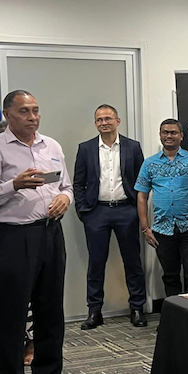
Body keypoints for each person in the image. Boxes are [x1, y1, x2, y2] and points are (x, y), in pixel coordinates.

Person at [0, 90, 73, 374]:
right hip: (14, 238)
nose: (32, 117)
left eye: (36, 110)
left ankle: (49, 369)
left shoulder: (51, 146)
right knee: (11, 313)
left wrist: (65, 199)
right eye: (24, 111)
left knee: (51, 310)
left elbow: (65, 186)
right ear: (7, 115)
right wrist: (13, 185)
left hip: (51, 235)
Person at [74, 104, 147, 330]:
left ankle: (137, 308)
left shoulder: (132, 147)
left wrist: (138, 210)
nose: (103, 122)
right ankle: (94, 311)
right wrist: (83, 210)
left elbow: (141, 181)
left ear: (118, 121)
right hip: (97, 212)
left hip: (127, 210)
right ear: (95, 123)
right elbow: (78, 183)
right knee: (96, 263)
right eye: (99, 120)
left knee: (132, 261)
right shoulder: (85, 148)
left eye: (108, 118)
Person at [135, 119, 188, 297]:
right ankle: (173, 321)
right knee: (170, 276)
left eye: (173, 132)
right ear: (160, 135)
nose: (169, 136)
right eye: (165, 132)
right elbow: (142, 196)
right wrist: (146, 227)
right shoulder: (149, 163)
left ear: (181, 136)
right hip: (162, 229)